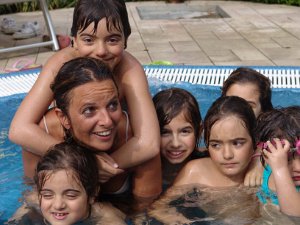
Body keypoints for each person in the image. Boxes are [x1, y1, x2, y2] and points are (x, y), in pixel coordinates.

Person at [9, 0, 160, 178]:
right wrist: (84, 162)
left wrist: (103, 167)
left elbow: (149, 142)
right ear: (74, 40)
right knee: (40, 130)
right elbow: (19, 129)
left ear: (125, 40)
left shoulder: (130, 70)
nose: (101, 51)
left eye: (112, 39)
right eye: (89, 40)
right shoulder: (60, 64)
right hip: (74, 143)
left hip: (114, 145)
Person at [51, 57, 161, 214]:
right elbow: (36, 206)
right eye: (89, 110)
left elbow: (147, 213)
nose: (107, 121)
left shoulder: (135, 140)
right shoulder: (47, 132)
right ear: (63, 118)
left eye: (112, 105)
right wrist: (86, 166)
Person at [8, 141, 126, 225]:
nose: (58, 205)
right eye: (47, 195)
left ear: (92, 194)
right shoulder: (34, 202)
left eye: (70, 195)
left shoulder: (107, 218)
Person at [173, 96, 256, 187]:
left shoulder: (266, 175)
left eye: (237, 143)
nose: (227, 155)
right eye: (216, 145)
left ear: (255, 140)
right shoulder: (194, 173)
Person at [221, 67, 274, 187]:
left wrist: (258, 158)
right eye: (232, 102)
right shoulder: (215, 125)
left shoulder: (268, 128)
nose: (239, 111)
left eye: (249, 105)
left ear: (263, 110)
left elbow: (281, 132)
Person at [152, 88, 204, 190]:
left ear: (199, 131)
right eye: (165, 132)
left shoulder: (209, 164)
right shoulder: (141, 172)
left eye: (184, 131)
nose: (175, 144)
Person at [255, 106, 300, 217]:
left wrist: (281, 169)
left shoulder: (279, 168)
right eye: (286, 159)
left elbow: (295, 214)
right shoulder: (268, 168)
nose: (298, 168)